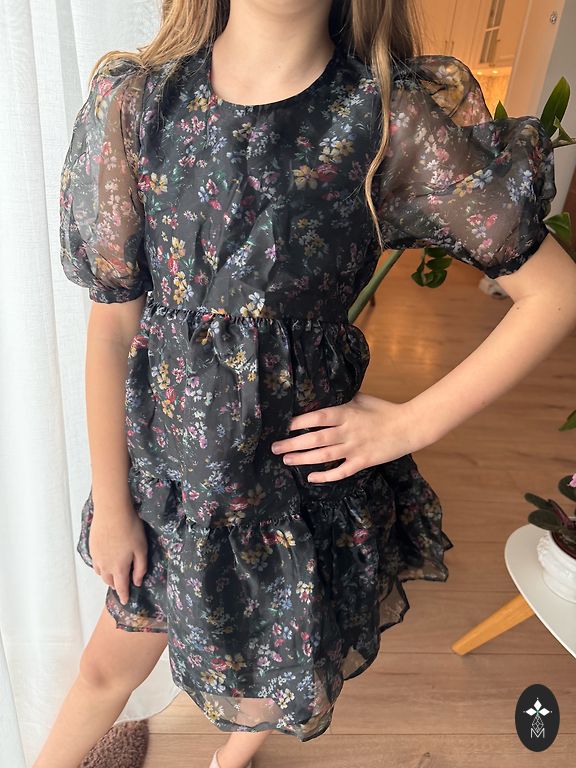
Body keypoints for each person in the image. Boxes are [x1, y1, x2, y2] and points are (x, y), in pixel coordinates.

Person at [36, 0, 576, 767]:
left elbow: (555, 293)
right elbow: (112, 327)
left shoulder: (387, 118)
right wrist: (115, 506)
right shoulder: (141, 104)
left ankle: (233, 757)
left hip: (291, 487)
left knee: (277, 669)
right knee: (104, 670)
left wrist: (410, 424)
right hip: (171, 484)